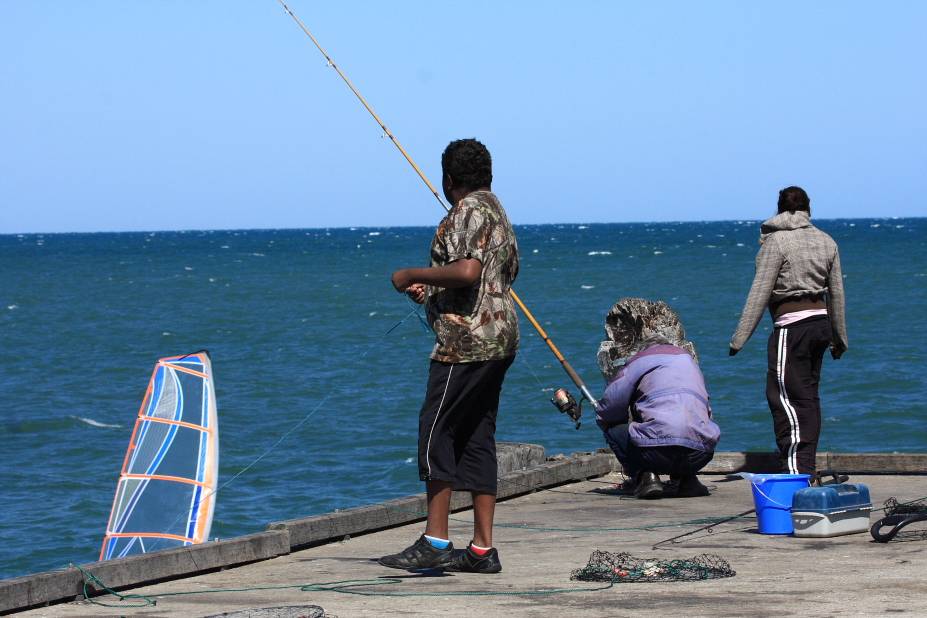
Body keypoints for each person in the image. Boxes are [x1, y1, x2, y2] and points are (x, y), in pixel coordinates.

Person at [379, 138, 519, 574]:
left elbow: (467, 271)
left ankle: (435, 540)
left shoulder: (466, 211)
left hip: (465, 345)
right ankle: (481, 549)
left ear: (449, 178)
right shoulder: (497, 211)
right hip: (499, 338)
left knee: (435, 431)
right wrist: (432, 291)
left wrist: (409, 273)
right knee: (476, 435)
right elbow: (487, 279)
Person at [729, 186, 848, 475]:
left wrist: (739, 339)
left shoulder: (777, 242)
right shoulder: (827, 241)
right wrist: (839, 338)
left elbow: (760, 292)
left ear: (780, 209)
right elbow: (836, 294)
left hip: (791, 328)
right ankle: (804, 464)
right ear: (809, 209)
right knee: (807, 398)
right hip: (820, 327)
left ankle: (796, 468)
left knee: (784, 398)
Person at [595, 298, 720, 499]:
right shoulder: (688, 361)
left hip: (657, 452)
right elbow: (706, 410)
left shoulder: (640, 361)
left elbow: (611, 405)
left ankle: (646, 477)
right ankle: (688, 480)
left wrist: (604, 418)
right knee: (685, 427)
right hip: (701, 453)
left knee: (613, 429)